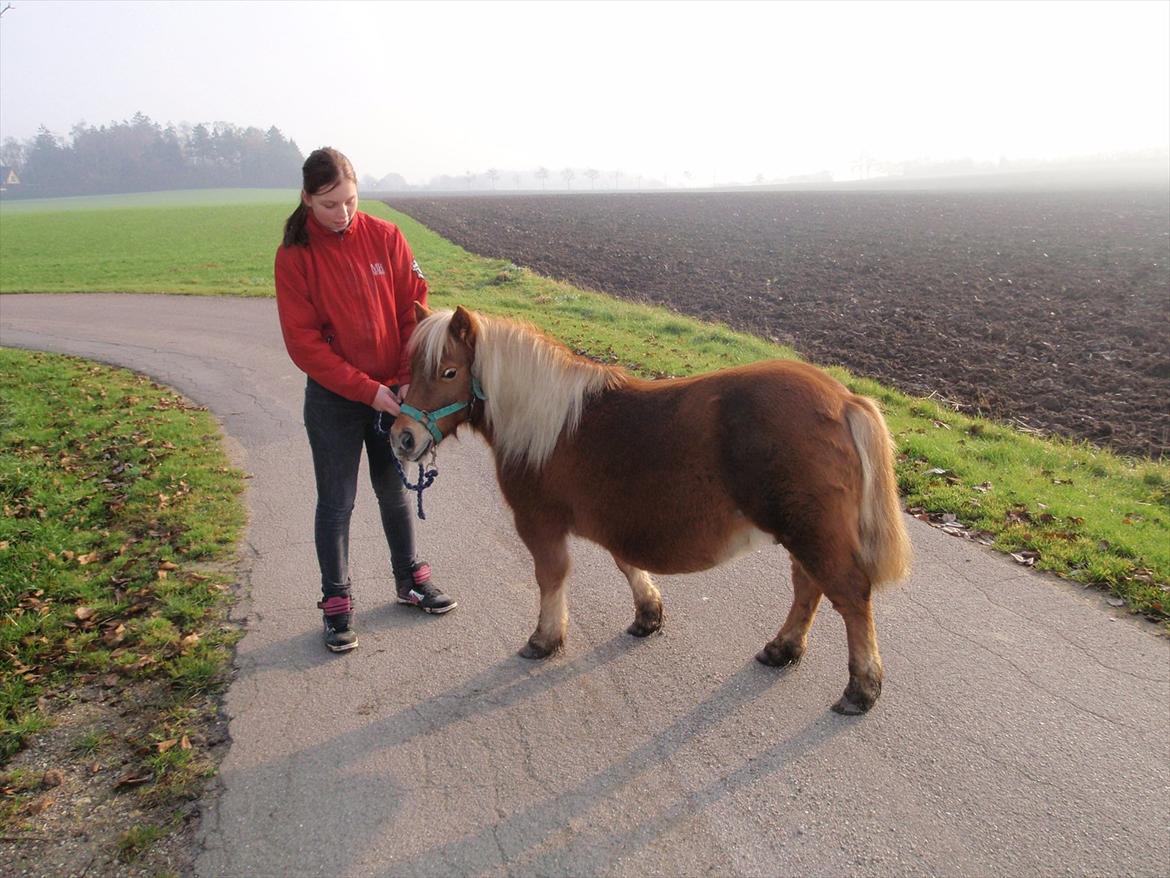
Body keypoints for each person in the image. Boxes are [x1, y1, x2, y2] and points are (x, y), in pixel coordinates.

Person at [275, 147, 456, 653]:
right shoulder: (295, 257)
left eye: (350, 200)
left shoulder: (386, 236)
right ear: (307, 198)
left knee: (392, 489)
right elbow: (304, 345)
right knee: (337, 502)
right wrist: (368, 390)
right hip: (335, 400)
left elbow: (411, 310)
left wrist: (401, 380)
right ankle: (337, 603)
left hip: (392, 391)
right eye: (330, 204)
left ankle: (411, 581)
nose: (343, 214)